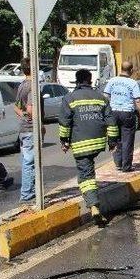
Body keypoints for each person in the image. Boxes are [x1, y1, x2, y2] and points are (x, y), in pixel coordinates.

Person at [59, 69, 119, 226]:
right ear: (90, 80)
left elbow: (64, 123)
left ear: (77, 81)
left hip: (81, 144)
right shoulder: (101, 98)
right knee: (89, 169)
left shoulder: (69, 98)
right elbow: (111, 121)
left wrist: (64, 141)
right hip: (98, 142)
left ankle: (94, 207)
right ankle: (93, 202)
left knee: (85, 175)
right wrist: (112, 142)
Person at [103, 61, 140, 172]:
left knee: (115, 138)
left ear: (121, 69)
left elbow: (105, 97)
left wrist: (105, 112)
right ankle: (126, 166)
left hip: (113, 113)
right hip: (127, 113)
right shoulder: (132, 83)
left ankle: (118, 163)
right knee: (127, 140)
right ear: (131, 70)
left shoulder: (112, 81)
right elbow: (137, 100)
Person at [14, 58, 44, 203]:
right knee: (30, 161)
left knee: (26, 160)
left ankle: (28, 192)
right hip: (31, 129)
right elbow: (31, 110)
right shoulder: (33, 86)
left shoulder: (21, 86)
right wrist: (39, 125)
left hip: (23, 128)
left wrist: (24, 117)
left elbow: (17, 108)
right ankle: (27, 194)